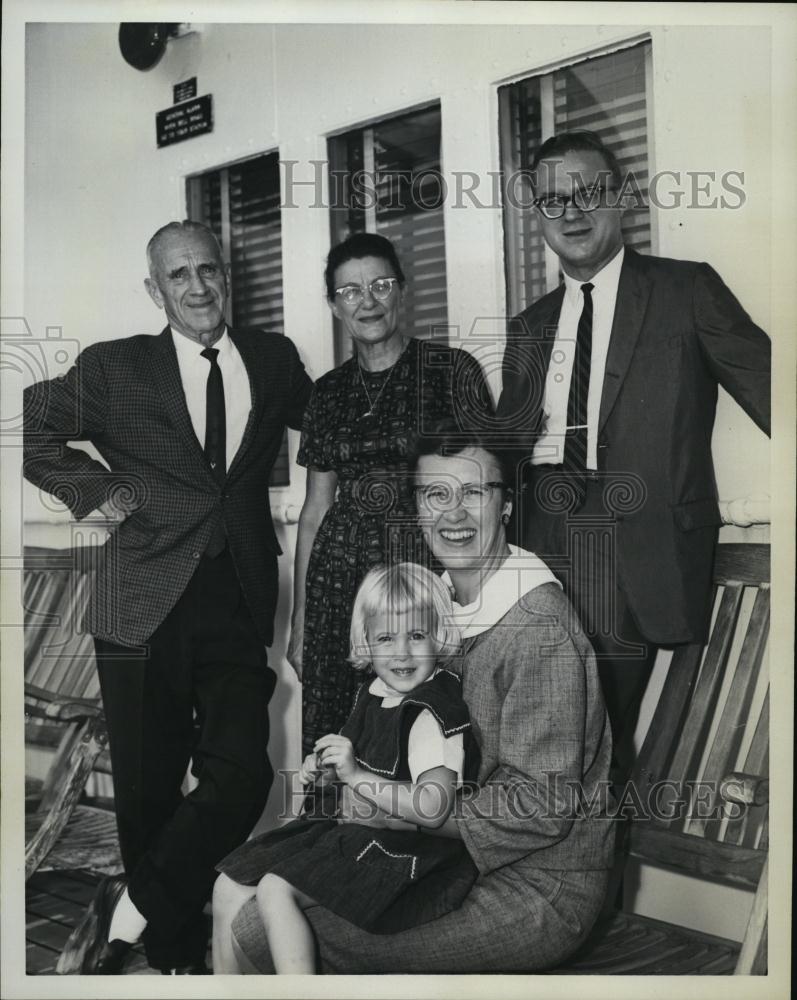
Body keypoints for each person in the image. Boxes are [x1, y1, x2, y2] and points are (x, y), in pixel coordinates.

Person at [22, 220, 313, 975]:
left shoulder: (274, 359)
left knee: (241, 772)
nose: (197, 286)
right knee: (149, 791)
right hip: (140, 597)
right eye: (178, 275)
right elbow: (28, 424)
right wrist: (100, 492)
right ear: (156, 289)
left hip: (239, 591)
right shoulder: (117, 367)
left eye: (208, 270)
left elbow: (330, 429)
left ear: (228, 277)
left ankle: (131, 909)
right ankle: (175, 955)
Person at [226, 423, 614, 973]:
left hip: (535, 888)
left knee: (261, 926)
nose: (454, 515)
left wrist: (396, 809)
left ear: (505, 505)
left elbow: (538, 808)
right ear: (418, 507)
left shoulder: (538, 628)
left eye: (475, 493)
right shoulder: (437, 605)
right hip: (443, 856)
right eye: (437, 494)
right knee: (247, 889)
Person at [495, 129, 771, 781]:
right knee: (537, 748)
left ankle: (578, 880)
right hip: (543, 554)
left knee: (586, 752)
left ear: (620, 197)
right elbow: (498, 452)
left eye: (588, 191)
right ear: (536, 215)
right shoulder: (529, 326)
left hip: (634, 551)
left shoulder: (685, 292)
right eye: (553, 199)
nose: (571, 211)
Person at [212, 562, 480, 973]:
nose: (401, 652)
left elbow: (433, 807)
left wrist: (355, 776)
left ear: (439, 636)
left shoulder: (430, 712)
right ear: (366, 643)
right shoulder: (374, 692)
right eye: (386, 638)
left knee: (275, 890)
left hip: (415, 856)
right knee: (227, 884)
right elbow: (359, 771)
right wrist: (327, 774)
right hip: (360, 831)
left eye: (417, 636)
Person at [290, 232, 493, 756]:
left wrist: (478, 598)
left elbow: (482, 494)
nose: (368, 300)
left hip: (421, 572)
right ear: (335, 305)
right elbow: (315, 511)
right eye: (350, 291)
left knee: (423, 728)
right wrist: (300, 624)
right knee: (336, 730)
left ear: (402, 291)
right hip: (337, 583)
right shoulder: (326, 393)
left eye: (380, 284)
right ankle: (334, 836)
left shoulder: (450, 372)